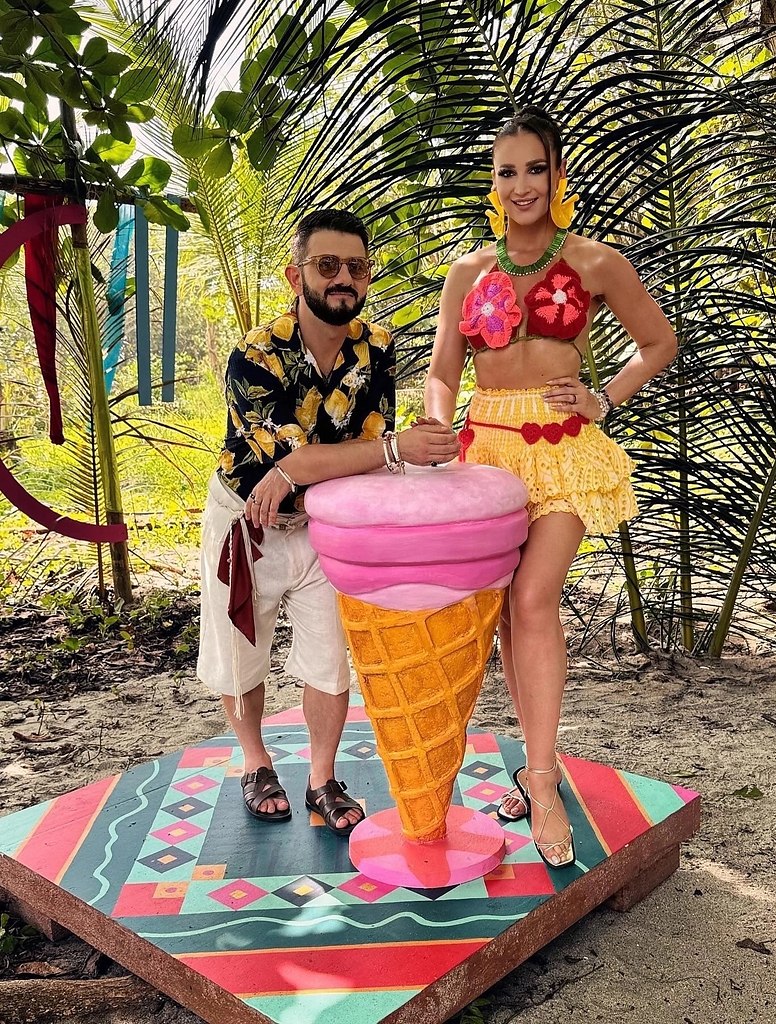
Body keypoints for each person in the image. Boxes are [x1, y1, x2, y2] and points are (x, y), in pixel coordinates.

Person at [424, 109, 677, 868]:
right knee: (506, 610)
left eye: (535, 168)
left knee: (533, 597)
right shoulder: (468, 272)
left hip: (561, 448)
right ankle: (538, 758)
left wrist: (606, 398)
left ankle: (538, 779)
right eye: (507, 172)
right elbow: (443, 372)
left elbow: (658, 341)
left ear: (557, 175)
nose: (521, 185)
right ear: (493, 184)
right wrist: (437, 429)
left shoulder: (594, 261)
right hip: (485, 450)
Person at [198, 208, 460, 836]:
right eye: (327, 265)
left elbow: (359, 451)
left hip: (326, 525)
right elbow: (302, 457)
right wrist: (382, 451)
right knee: (241, 654)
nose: (344, 277)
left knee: (329, 660)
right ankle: (256, 762)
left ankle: (322, 777)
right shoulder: (254, 356)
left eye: (356, 267)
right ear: (297, 276)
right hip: (247, 523)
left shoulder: (378, 348)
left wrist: (365, 458)